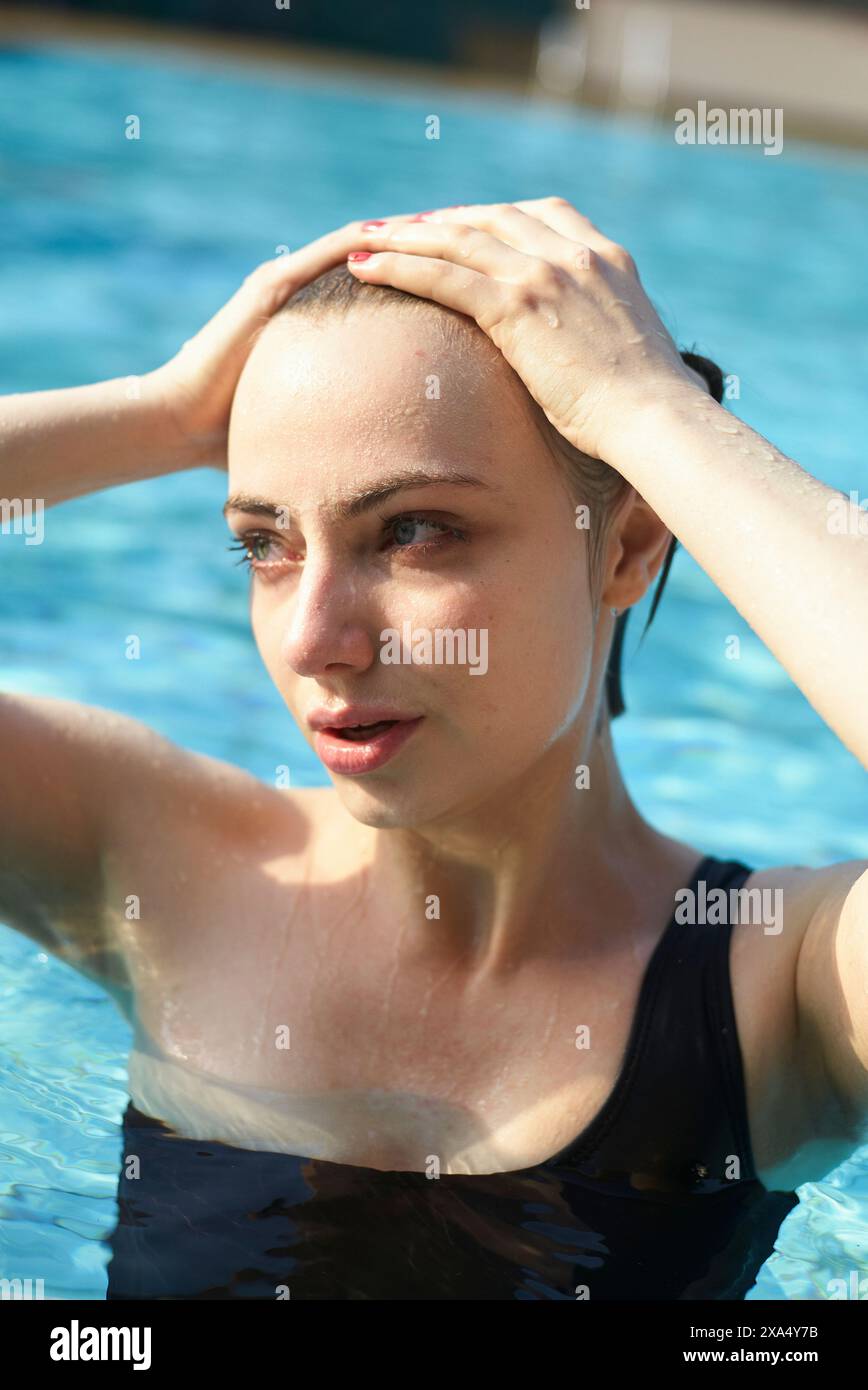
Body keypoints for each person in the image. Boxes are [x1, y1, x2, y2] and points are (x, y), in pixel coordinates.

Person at [1, 198, 865, 1301]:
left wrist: (647, 412)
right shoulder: (150, 859)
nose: (315, 637)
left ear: (631, 543)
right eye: (262, 544)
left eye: (411, 530)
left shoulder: (779, 989)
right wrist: (158, 413)